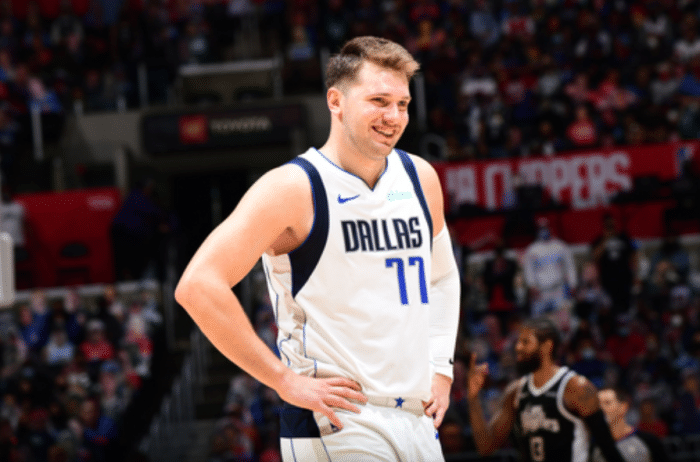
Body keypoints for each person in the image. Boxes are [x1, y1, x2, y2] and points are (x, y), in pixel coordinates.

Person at [175, 36, 461, 461]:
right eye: (379, 101)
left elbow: (442, 276)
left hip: (416, 416)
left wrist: (441, 367)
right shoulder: (292, 187)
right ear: (335, 101)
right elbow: (198, 286)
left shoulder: (420, 178)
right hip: (338, 420)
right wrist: (282, 380)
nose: (394, 116)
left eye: (402, 104)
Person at [466, 317, 625, 462]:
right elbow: (485, 447)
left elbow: (608, 449)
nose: (518, 347)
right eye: (518, 342)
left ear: (546, 346)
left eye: (525, 342)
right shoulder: (515, 392)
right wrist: (473, 397)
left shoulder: (576, 387)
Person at [522, 218, 577, 328]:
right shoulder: (532, 249)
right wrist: (531, 285)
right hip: (540, 291)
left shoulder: (560, 246)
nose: (543, 230)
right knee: (539, 324)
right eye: (541, 228)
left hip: (559, 289)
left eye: (545, 227)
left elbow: (570, 266)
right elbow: (528, 270)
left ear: (550, 228)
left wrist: (573, 284)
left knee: (564, 322)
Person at [594, 387, 668, 462]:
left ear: (623, 407)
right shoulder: (595, 447)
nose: (601, 408)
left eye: (607, 403)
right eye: (597, 404)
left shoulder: (649, 441)